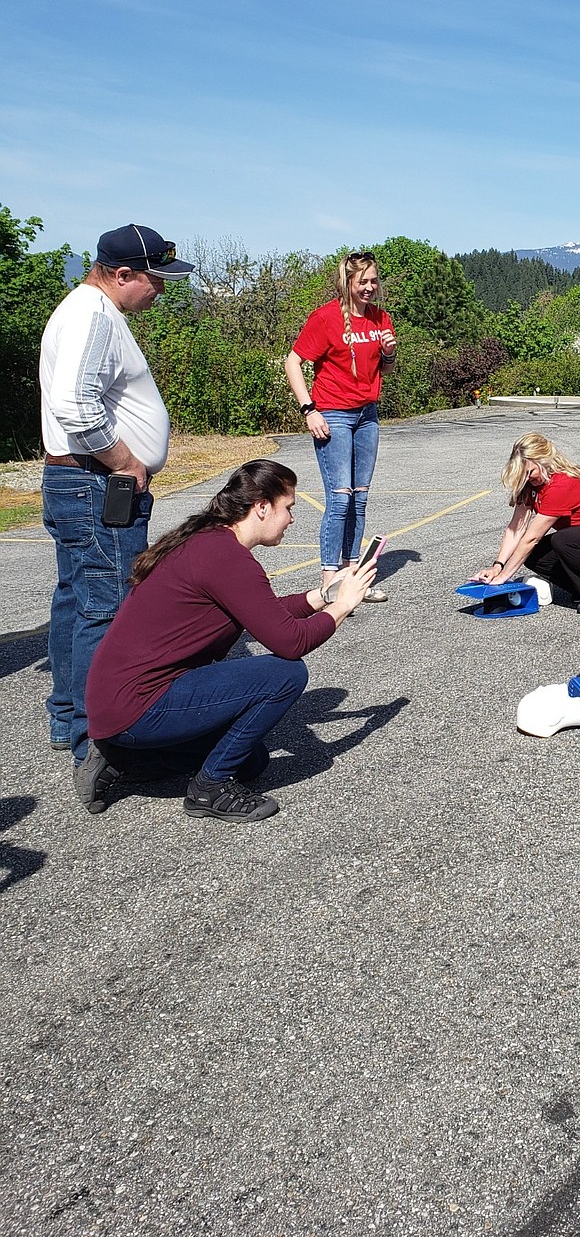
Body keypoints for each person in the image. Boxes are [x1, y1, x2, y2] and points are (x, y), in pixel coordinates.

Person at [76, 459, 377, 823]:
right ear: (262, 506)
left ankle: (125, 759)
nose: (292, 519)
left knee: (253, 760)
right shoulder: (226, 558)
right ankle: (209, 788)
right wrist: (343, 607)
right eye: (289, 508)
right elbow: (290, 643)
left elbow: (261, 612)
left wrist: (324, 596)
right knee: (286, 673)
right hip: (137, 705)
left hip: (120, 702)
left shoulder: (210, 541)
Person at [40, 223, 194, 763]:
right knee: (105, 609)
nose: (160, 289)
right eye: (154, 279)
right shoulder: (93, 316)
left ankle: (69, 719)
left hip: (81, 481)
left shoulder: (87, 310)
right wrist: (126, 461)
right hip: (94, 482)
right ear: (122, 273)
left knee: (77, 598)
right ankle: (98, 743)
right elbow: (75, 406)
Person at [284, 253, 396, 603]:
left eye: (374, 280)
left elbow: (386, 370)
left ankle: (353, 577)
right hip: (333, 413)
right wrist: (309, 410)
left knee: (359, 499)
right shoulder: (326, 317)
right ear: (348, 282)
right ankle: (330, 580)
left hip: (367, 415)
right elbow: (293, 361)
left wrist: (390, 354)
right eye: (362, 281)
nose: (369, 287)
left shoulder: (381, 318)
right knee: (340, 498)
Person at [474, 434, 580, 614]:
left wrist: (504, 578)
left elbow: (532, 537)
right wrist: (498, 567)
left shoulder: (562, 483)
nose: (528, 478)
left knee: (561, 540)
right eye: (523, 474)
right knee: (533, 554)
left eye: (530, 472)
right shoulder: (529, 485)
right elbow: (515, 529)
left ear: (544, 460)